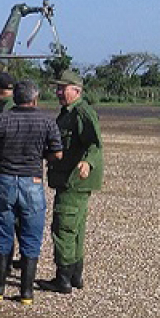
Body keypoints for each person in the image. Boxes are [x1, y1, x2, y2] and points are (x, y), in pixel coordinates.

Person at [0, 80, 62, 305]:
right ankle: (26, 291)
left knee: (1, 233)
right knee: (31, 236)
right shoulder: (47, 121)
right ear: (35, 99)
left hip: (4, 180)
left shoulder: (0, 119)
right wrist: (39, 156)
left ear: (14, 98)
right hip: (32, 181)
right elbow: (57, 154)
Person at [39, 70, 104, 294]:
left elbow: (95, 144)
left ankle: (63, 279)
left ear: (76, 91)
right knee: (76, 228)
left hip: (73, 180)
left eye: (62, 88)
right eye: (57, 88)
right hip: (69, 179)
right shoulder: (67, 113)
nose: (58, 92)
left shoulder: (82, 113)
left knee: (64, 227)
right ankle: (75, 275)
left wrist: (88, 163)